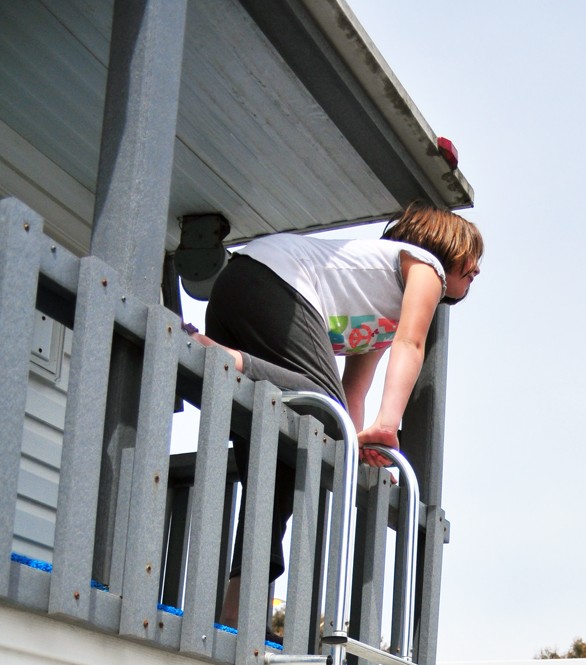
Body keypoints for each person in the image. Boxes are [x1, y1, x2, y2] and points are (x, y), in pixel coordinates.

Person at [196, 200, 483, 627]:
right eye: (471, 259)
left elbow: (353, 389)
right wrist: (386, 426)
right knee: (322, 411)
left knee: (275, 470)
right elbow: (411, 345)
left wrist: (358, 440)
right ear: (444, 249)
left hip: (235, 289)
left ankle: (235, 611)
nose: (476, 270)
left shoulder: (377, 308)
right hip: (271, 283)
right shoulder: (427, 269)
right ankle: (224, 359)